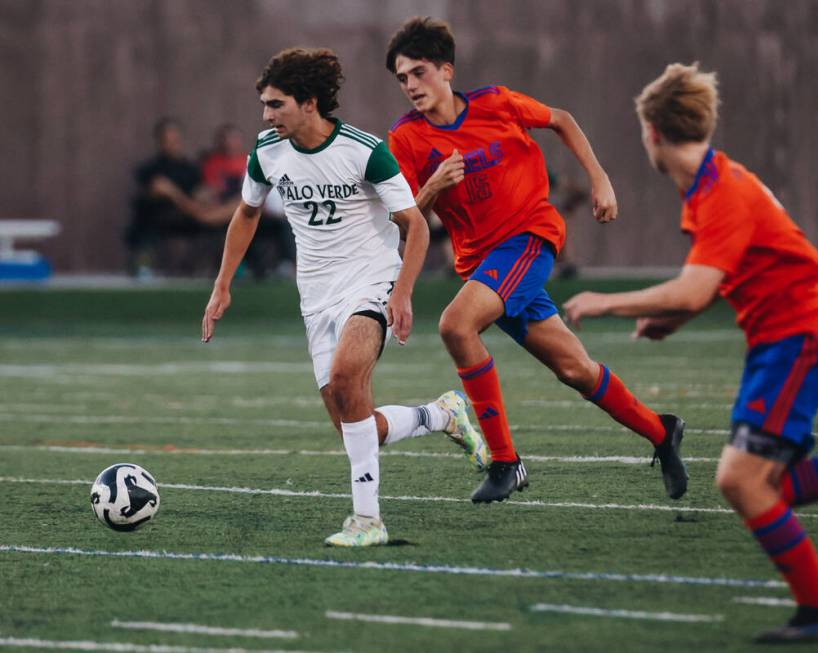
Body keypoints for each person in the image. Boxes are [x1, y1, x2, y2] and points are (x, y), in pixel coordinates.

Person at [563, 62, 818, 643]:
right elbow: (717, 279)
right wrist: (669, 321)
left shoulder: (722, 191)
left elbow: (697, 286)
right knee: (767, 483)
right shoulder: (710, 184)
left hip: (798, 340)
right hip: (783, 342)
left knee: (741, 482)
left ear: (652, 133)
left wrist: (606, 302)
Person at [384, 17, 687, 504]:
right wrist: (432, 188)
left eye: (418, 72)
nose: (410, 85)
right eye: (401, 78)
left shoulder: (495, 102)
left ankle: (505, 462)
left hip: (529, 239)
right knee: (576, 371)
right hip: (485, 267)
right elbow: (404, 220)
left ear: (446, 70)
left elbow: (562, 119)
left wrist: (600, 179)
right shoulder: (405, 139)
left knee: (456, 325)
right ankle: (661, 430)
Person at [202, 47, 489, 547]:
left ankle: (367, 521)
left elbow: (416, 227)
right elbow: (247, 214)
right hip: (315, 297)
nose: (266, 116)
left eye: (276, 105)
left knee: (344, 376)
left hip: (370, 281)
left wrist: (401, 294)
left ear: (309, 102)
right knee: (356, 426)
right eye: (264, 105)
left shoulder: (365, 151)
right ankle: (442, 415)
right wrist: (222, 284)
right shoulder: (266, 151)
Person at [127, 118, 225, 276]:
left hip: (190, 215)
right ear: (159, 141)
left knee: (218, 220)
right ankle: (143, 264)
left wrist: (202, 195)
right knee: (143, 215)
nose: (172, 144)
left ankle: (219, 267)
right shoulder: (150, 168)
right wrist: (177, 197)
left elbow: (198, 191)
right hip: (159, 215)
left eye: (175, 139)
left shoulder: (190, 168)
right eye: (167, 140)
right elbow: (155, 190)